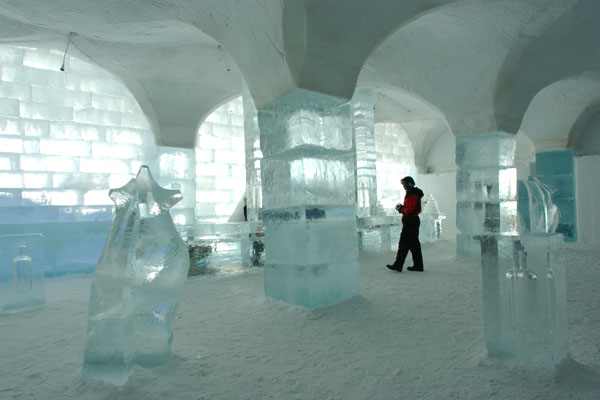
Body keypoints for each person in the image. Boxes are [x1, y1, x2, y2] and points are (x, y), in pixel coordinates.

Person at [387, 176, 424, 272]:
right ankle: (418, 265)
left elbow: (411, 210)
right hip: (411, 221)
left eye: (404, 184)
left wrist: (401, 209)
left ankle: (398, 265)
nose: (403, 186)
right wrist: (403, 208)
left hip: (411, 222)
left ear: (409, 184)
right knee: (414, 245)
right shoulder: (410, 193)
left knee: (404, 243)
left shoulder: (413, 194)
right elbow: (410, 208)